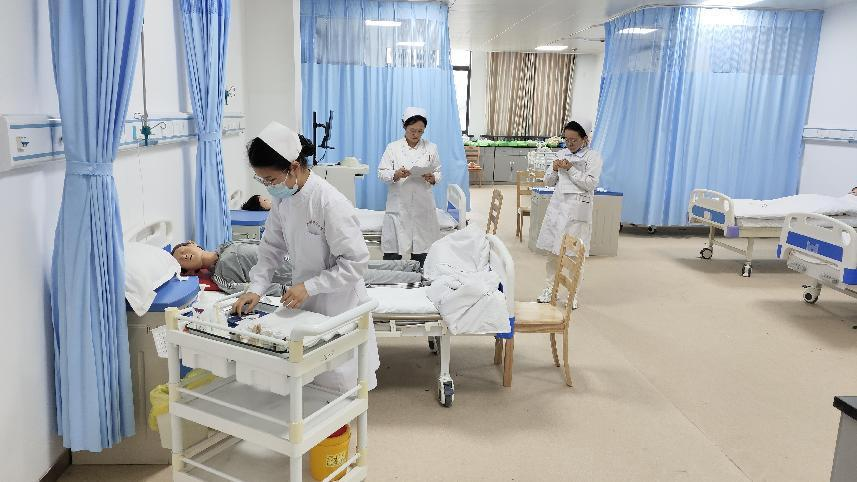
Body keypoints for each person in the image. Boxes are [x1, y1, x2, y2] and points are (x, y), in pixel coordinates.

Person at [231, 121, 380, 392]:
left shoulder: (329, 202)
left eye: (271, 180)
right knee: (310, 380)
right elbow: (271, 247)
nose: (268, 187)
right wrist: (257, 287)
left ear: (294, 167)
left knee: (342, 384)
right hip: (305, 300)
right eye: (262, 180)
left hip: (340, 303)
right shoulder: (283, 199)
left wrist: (310, 287)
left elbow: (355, 263)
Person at [172, 239, 422, 294]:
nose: (185, 255)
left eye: (183, 250)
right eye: (181, 260)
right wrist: (284, 290)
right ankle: (420, 279)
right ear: (190, 272)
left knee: (359, 264)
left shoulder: (228, 244)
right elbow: (250, 289)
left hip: (301, 256)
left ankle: (411, 266)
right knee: (363, 276)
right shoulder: (220, 277)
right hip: (298, 276)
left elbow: (266, 244)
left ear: (193, 243)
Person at [535, 121, 603, 307]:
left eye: (574, 140)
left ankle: (572, 294)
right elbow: (548, 181)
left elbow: (590, 183)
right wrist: (555, 169)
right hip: (558, 207)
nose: (570, 144)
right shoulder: (561, 153)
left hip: (577, 209)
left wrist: (570, 169)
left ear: (584, 139)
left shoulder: (593, 157)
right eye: (566, 140)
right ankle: (550, 288)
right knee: (553, 252)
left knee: (574, 254)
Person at [378, 107, 443, 267]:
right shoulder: (393, 148)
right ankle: (391, 277)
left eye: (420, 131)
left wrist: (433, 177)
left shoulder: (431, 148)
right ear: (404, 126)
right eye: (412, 130)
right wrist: (396, 174)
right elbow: (381, 173)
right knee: (393, 250)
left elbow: (438, 171)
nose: (416, 134)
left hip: (423, 204)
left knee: (422, 250)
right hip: (399, 205)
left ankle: (421, 278)